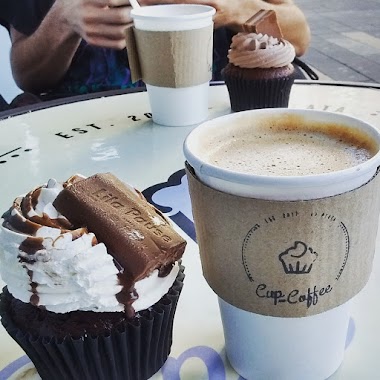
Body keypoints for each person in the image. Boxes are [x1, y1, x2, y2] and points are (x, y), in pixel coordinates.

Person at [5, 0, 311, 101]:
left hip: (223, 121)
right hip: (88, 146)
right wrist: (63, 18)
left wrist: (231, 7)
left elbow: (299, 36)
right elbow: (28, 77)